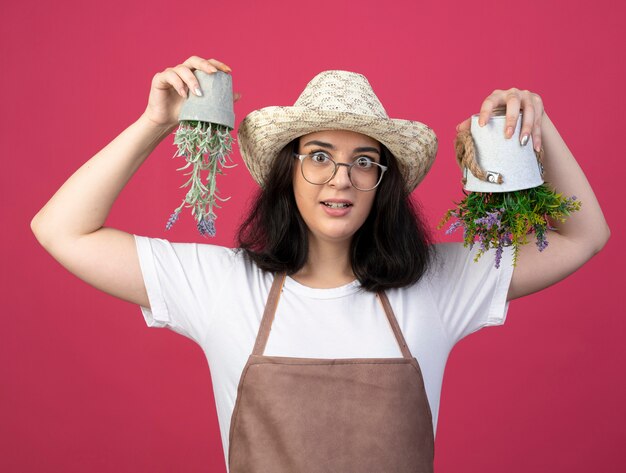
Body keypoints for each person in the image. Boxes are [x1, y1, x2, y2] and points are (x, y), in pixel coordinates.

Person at [31, 56, 610, 472]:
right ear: (288, 173)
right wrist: (156, 122)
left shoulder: (437, 282)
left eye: (364, 161)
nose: (341, 178)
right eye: (319, 156)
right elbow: (61, 229)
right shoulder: (221, 285)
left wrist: (538, 128)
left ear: (382, 184)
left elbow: (584, 236)